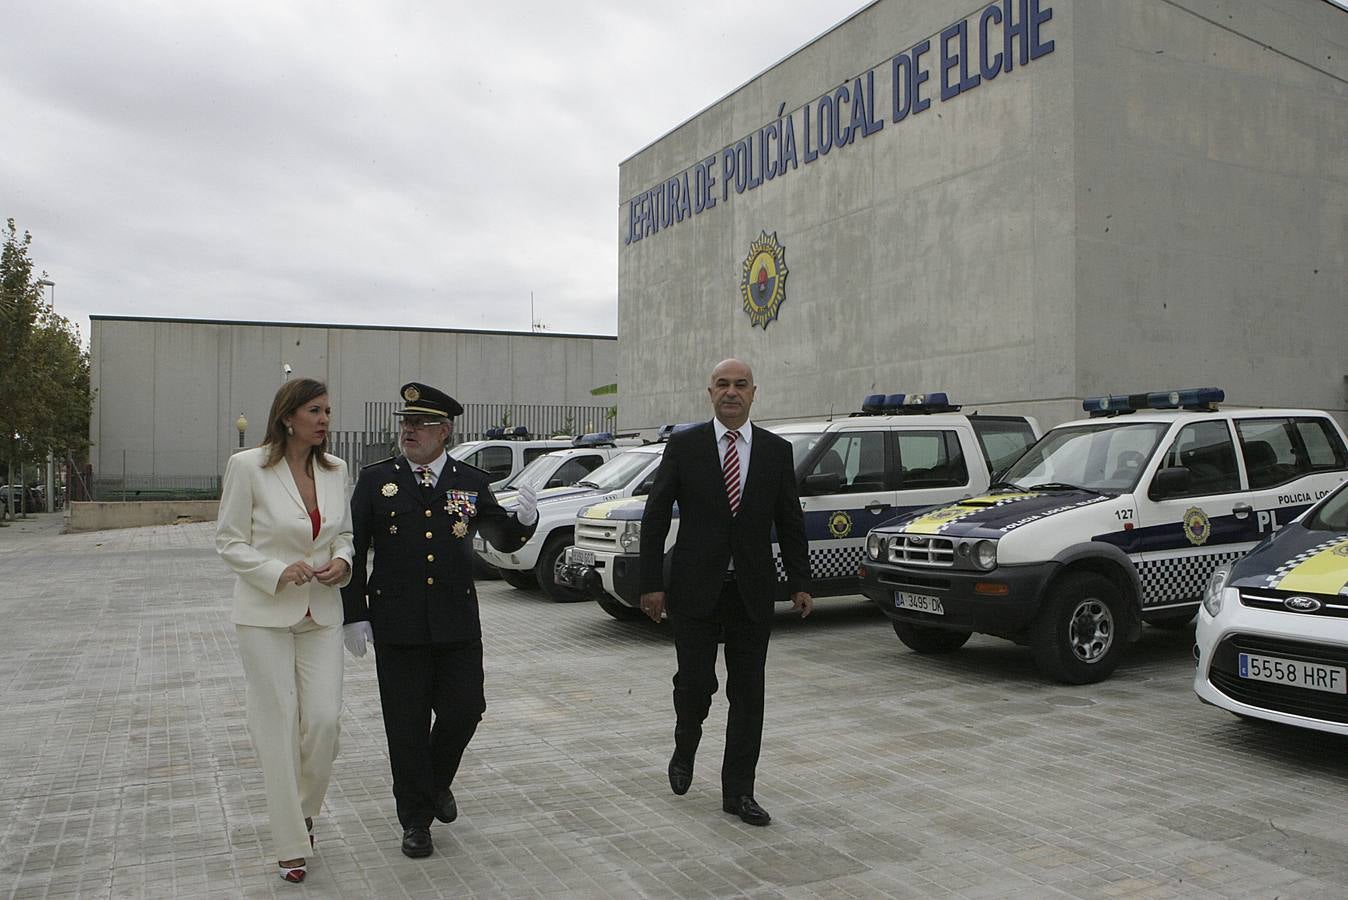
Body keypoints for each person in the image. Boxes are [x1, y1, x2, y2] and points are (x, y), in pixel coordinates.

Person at [341, 382, 539, 858]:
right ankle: (415, 821)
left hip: (456, 623)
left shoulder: (469, 481)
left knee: (466, 709)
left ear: (444, 431)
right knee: (405, 726)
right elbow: (350, 547)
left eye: (420, 424)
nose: (409, 430)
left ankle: (432, 784)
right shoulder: (375, 479)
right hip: (397, 623)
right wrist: (354, 614)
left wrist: (526, 519)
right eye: (405, 422)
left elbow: (502, 537)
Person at [639, 358, 812, 827]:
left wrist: (799, 581)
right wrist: (651, 583)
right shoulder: (685, 445)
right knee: (696, 684)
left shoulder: (776, 451)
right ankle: (686, 736)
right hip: (693, 588)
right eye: (722, 385)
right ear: (709, 392)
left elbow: (790, 520)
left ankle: (739, 792)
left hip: (751, 592)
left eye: (740, 385)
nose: (731, 392)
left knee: (748, 695)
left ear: (755, 392)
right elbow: (655, 515)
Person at [215, 378, 354, 883]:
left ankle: (304, 810)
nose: (324, 420)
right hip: (265, 615)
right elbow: (228, 541)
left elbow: (345, 535)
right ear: (287, 415)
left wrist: (342, 560)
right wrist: (275, 572)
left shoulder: (336, 469)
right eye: (315, 411)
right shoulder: (247, 467)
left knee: (323, 722)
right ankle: (291, 841)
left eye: (328, 411)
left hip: (322, 613)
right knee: (275, 726)